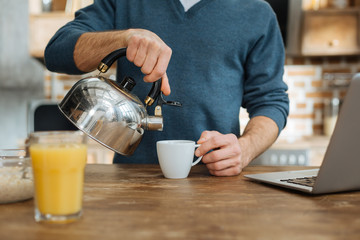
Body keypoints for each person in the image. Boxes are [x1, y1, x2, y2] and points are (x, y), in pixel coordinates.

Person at [45, 0, 289, 176]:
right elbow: (56, 52)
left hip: (215, 184)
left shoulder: (257, 12)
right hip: (132, 182)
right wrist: (125, 39)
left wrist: (245, 149)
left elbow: (271, 102)